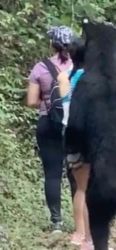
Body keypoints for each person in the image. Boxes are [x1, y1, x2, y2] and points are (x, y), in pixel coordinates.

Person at [58, 37, 113, 250]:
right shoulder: (95, 79)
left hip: (70, 135)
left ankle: (81, 235)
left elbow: (65, 106)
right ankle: (93, 239)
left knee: (80, 188)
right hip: (92, 137)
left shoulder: (64, 77)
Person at [27, 25, 74, 233]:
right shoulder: (80, 67)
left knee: (53, 173)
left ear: (51, 44)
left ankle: (56, 222)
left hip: (48, 123)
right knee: (77, 174)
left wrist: (47, 103)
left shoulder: (40, 68)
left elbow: (30, 101)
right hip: (75, 125)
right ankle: (82, 224)